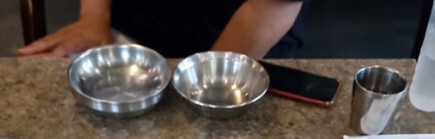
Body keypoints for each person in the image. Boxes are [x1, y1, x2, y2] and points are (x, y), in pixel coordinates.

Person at [17, 0, 308, 59]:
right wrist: (93, 18)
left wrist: (207, 81)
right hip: (129, 29)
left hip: (243, 48)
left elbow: (268, 6)